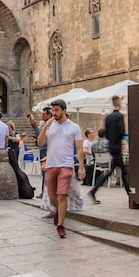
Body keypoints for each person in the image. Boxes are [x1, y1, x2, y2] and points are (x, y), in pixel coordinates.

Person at [38, 99, 84, 238]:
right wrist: (45, 127)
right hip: (51, 165)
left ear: (64, 111)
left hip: (66, 165)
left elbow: (80, 148)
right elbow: (40, 143)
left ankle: (61, 225)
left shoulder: (74, 127)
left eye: (57, 110)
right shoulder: (50, 125)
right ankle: (59, 211)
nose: (54, 113)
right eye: (53, 110)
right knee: (52, 198)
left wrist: (81, 167)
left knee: (62, 195)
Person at [88, 95, 131, 203]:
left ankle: (128, 191)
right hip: (117, 147)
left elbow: (106, 132)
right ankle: (94, 191)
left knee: (121, 170)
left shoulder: (108, 117)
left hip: (111, 146)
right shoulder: (119, 117)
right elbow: (121, 132)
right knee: (116, 171)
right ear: (119, 103)